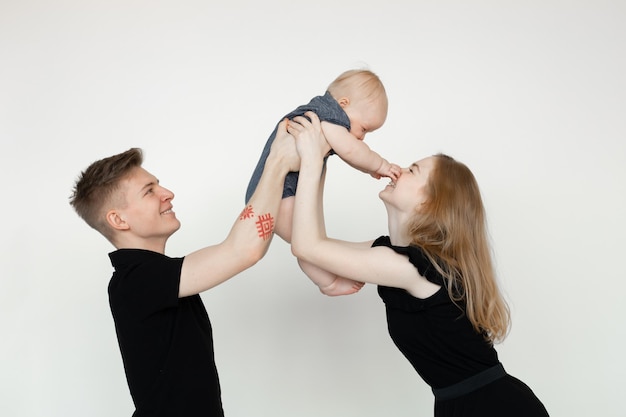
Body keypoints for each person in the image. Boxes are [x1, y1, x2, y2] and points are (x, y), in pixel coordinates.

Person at [288, 112, 550, 417]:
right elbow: (311, 245)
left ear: (428, 202)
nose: (398, 170)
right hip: (460, 405)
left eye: (413, 170)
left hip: (497, 407)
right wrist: (320, 159)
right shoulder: (394, 256)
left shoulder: (415, 267)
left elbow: (307, 245)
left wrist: (312, 160)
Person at [68, 123, 298, 417]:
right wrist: (277, 163)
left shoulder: (156, 276)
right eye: (149, 191)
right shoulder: (135, 280)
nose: (168, 193)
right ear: (118, 219)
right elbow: (244, 250)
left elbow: (246, 246)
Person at [245, 69, 401, 297]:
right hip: (276, 192)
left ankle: (329, 276)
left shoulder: (324, 116)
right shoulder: (328, 115)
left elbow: (349, 150)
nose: (362, 137)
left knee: (309, 240)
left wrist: (368, 168)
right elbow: (350, 149)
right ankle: (327, 282)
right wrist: (380, 165)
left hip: (282, 190)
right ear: (344, 104)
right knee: (306, 241)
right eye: (364, 128)